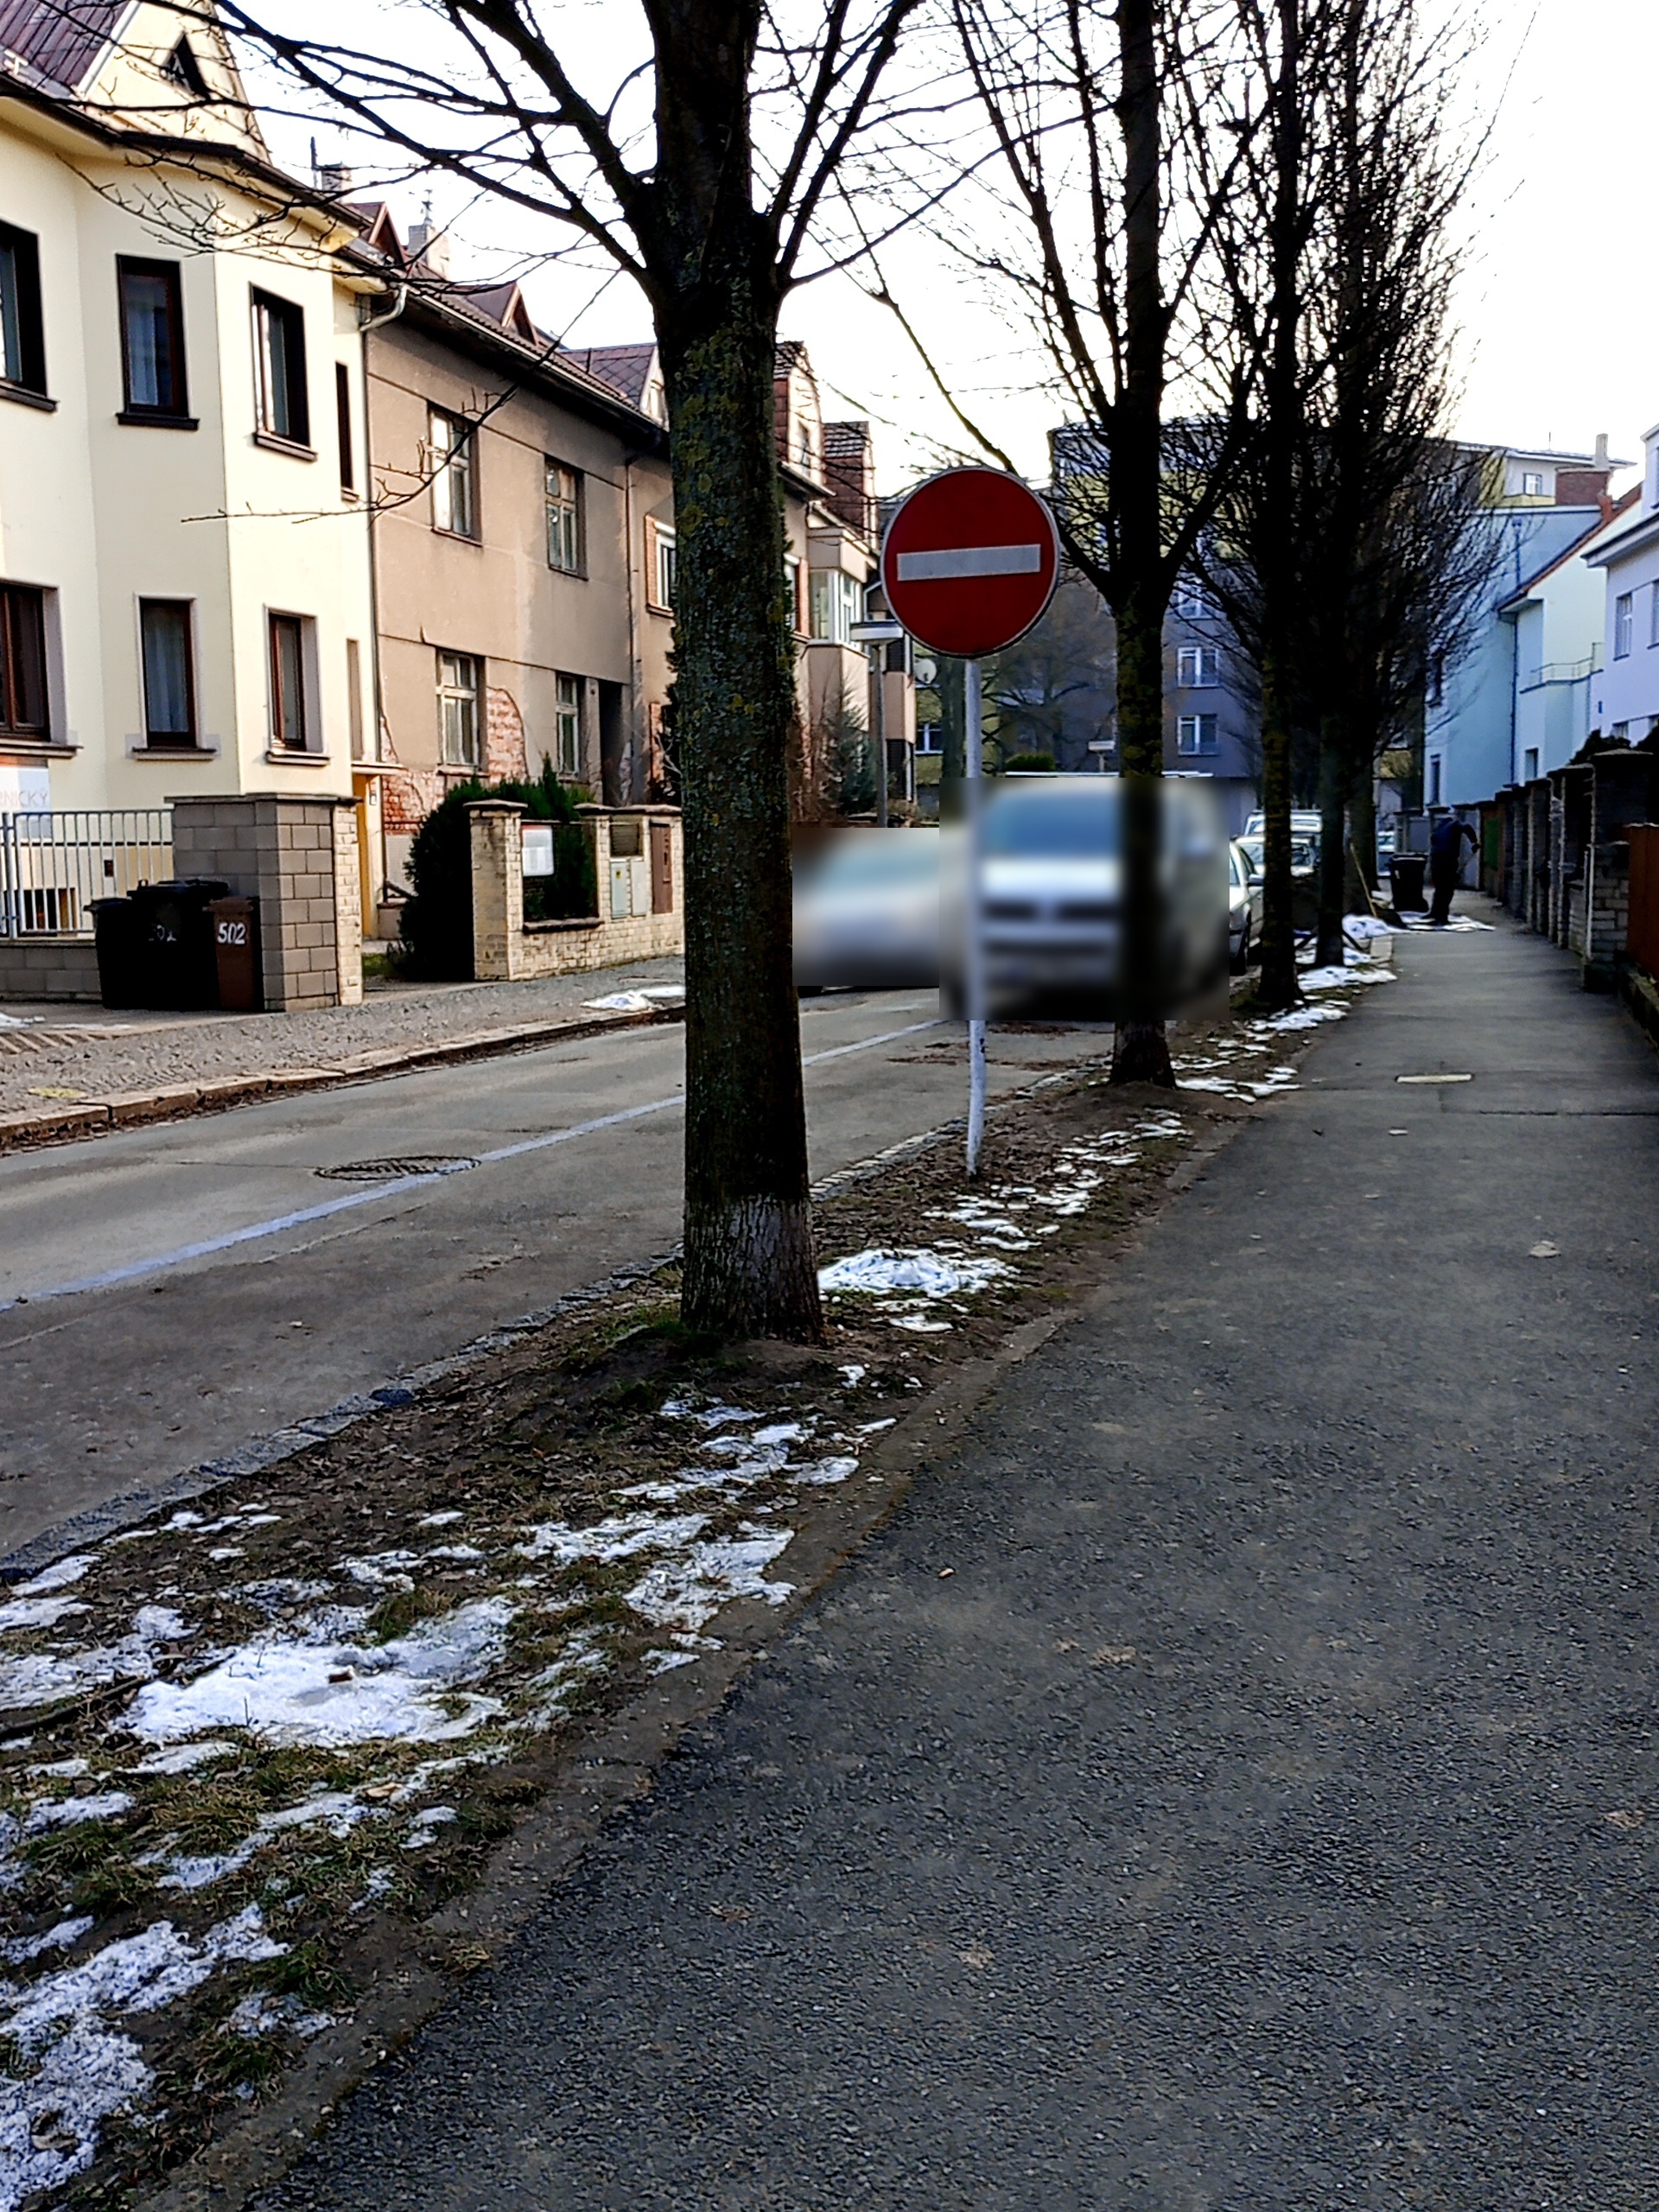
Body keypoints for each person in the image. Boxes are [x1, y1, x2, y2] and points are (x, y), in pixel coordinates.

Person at [1428, 813, 1477, 925]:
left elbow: (1433, 842)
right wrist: (1474, 842)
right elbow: (1467, 827)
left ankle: (1434, 913)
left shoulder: (1438, 829)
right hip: (1448, 859)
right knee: (1447, 889)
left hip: (1435, 860)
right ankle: (1442, 917)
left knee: (1439, 888)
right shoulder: (1454, 824)